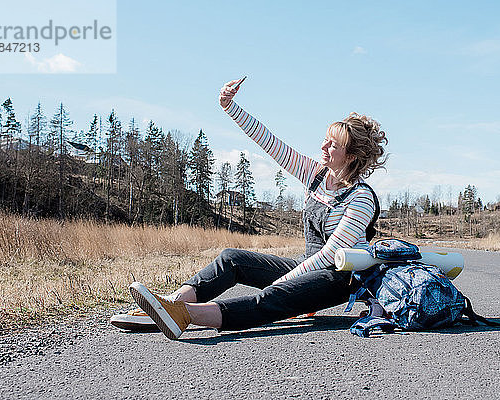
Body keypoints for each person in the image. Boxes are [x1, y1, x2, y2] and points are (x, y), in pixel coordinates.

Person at [111, 78, 388, 340]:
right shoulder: (315, 174)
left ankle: (184, 315)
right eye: (325, 139)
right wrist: (230, 107)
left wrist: (282, 283)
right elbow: (271, 143)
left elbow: (329, 257)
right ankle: (167, 305)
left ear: (350, 156)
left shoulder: (361, 198)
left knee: (271, 299)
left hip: (337, 277)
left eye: (333, 145)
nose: (323, 146)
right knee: (232, 258)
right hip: (307, 265)